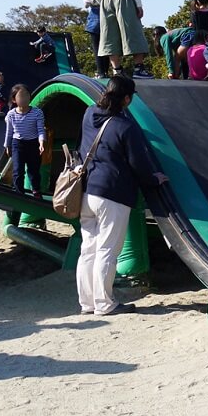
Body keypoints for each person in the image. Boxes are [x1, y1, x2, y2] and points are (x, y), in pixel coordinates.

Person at [76, 76, 168, 316]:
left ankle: (87, 303)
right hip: (113, 194)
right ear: (126, 98)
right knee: (107, 250)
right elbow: (138, 164)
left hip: (87, 191)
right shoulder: (125, 127)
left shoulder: (89, 113)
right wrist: (154, 179)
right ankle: (104, 304)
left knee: (89, 249)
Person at [3, 84, 46, 198]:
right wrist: (7, 146)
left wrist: (41, 143)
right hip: (18, 144)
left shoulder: (37, 112)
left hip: (33, 144)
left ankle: (36, 190)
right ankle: (19, 193)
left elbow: (40, 130)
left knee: (34, 170)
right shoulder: (11, 114)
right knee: (18, 170)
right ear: (14, 99)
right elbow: (9, 132)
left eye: (27, 95)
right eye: (21, 96)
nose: (25, 98)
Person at [83, 0, 111, 79]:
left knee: (97, 48)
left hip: (95, 15)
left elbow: (86, 2)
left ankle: (101, 72)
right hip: (107, 14)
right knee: (107, 47)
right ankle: (105, 71)